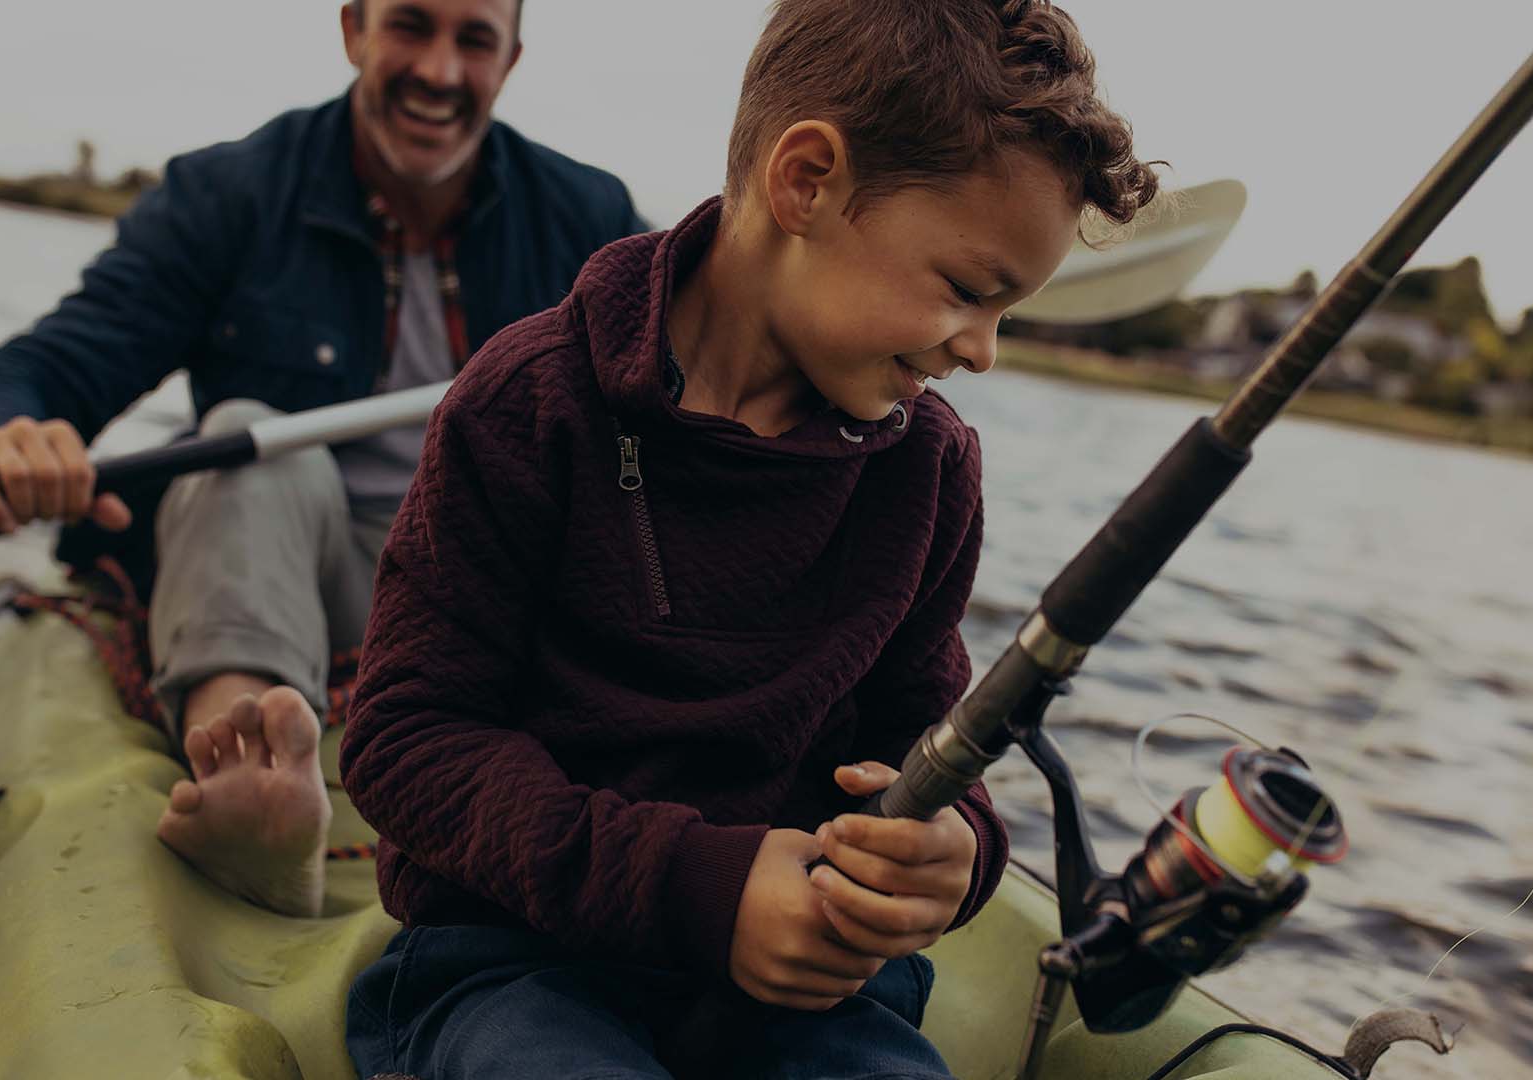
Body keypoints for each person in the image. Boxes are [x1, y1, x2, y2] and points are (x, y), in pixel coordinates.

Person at [331, 1, 1161, 1076]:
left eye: (1008, 314)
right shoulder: (527, 404)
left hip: (802, 999)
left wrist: (960, 854)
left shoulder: (930, 468)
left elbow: (926, 742)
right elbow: (404, 743)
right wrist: (702, 889)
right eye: (967, 291)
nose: (984, 350)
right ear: (806, 180)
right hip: (516, 962)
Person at [0, 0, 647, 918]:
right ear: (354, 30)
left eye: (473, 40)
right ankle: (255, 767)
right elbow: (48, 364)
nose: (438, 70)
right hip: (298, 572)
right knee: (244, 435)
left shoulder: (592, 218)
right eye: (410, 27)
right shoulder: (229, 194)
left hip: (487, 587)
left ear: (509, 60)